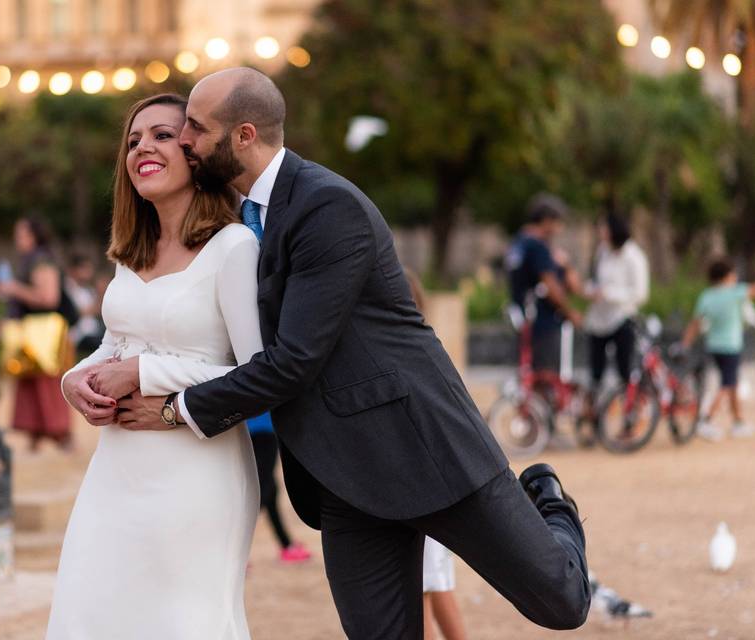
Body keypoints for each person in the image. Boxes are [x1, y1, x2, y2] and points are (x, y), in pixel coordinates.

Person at [83, 68, 590, 638]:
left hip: (422, 446)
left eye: (195, 130)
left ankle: (546, 495)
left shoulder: (328, 206)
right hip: (342, 477)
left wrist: (175, 408)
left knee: (562, 603)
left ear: (243, 136)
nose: (183, 142)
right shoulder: (231, 217)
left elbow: (293, 361)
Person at [48, 94, 259, 638]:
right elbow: (114, 343)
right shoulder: (131, 253)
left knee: (181, 621)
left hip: (198, 470)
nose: (143, 146)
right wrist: (76, 379)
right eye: (134, 139)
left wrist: (144, 373)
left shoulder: (233, 247)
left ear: (194, 153)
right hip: (117, 467)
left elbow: (259, 372)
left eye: (163, 135)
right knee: (92, 608)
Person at [404, 269, 467, 640]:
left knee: (420, 593)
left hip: (415, 491)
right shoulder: (428, 350)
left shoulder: (402, 356)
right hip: (436, 488)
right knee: (438, 583)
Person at [682, 258, 755, 441]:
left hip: (714, 346)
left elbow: (695, 324)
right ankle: (706, 419)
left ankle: (738, 421)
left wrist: (685, 343)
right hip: (730, 346)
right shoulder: (735, 293)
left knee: (732, 383)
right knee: (727, 384)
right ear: (727, 276)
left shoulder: (707, 296)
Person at [0, 217, 74, 452]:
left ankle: (61, 433)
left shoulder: (41, 261)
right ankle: (37, 434)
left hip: (44, 331)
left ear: (34, 236)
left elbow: (49, 297)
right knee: (31, 383)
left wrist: (14, 289)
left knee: (46, 384)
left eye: (21, 234)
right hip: (32, 330)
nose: (17, 239)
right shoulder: (29, 261)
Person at [505, 194, 583, 373]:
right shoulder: (537, 246)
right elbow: (550, 286)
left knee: (530, 376)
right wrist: (570, 312)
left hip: (524, 320)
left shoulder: (518, 243)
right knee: (548, 379)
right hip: (544, 322)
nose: (559, 229)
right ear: (547, 221)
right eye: (558, 223)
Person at [584, 214, 649, 394]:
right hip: (599, 319)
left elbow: (640, 294)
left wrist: (609, 294)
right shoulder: (602, 251)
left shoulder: (634, 257)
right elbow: (596, 279)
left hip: (622, 318)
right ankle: (596, 410)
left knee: (624, 368)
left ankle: (628, 407)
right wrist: (591, 290)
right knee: (596, 370)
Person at [247, 412, 312, 564]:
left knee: (270, 488)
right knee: (264, 489)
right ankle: (234, 553)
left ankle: (286, 545)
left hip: (249, 431)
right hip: (263, 431)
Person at [64, 254, 105, 356]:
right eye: (84, 268)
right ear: (73, 270)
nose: (88, 272)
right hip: (78, 335)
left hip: (92, 332)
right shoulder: (67, 288)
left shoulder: (86, 290)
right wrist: (101, 295)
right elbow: (77, 312)